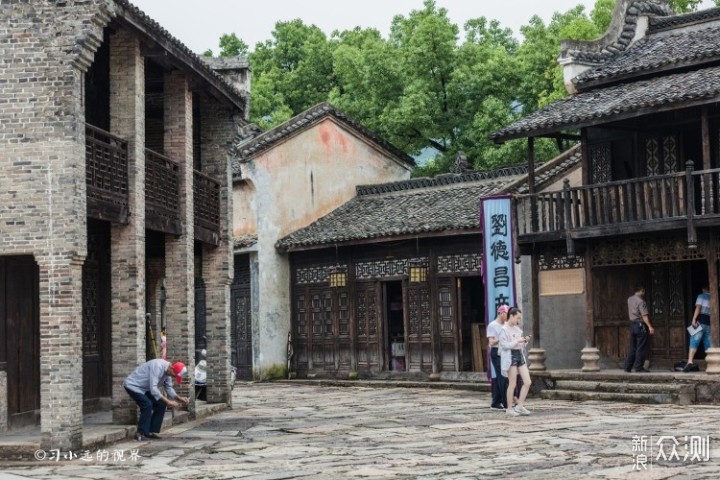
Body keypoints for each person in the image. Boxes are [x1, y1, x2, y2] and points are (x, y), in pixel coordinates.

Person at [123, 358, 190, 441]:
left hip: (145, 388)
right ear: (172, 367)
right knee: (147, 405)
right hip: (133, 385)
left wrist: (180, 399)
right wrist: (168, 401)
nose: (173, 377)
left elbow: (169, 388)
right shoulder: (158, 366)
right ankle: (140, 434)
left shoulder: (168, 372)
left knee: (161, 404)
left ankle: (150, 432)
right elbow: (154, 389)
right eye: (174, 375)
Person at [499, 307, 532, 416]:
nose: (518, 321)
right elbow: (504, 346)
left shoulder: (517, 329)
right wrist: (517, 341)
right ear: (511, 316)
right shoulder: (504, 329)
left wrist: (524, 341)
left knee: (527, 381)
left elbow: (520, 345)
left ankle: (520, 405)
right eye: (517, 318)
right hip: (510, 356)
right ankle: (509, 409)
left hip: (519, 355)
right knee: (512, 384)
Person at [624, 285, 655, 373]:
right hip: (640, 325)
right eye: (643, 292)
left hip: (632, 325)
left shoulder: (629, 299)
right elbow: (644, 316)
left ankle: (627, 367)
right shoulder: (641, 301)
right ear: (641, 290)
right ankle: (638, 367)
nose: (644, 294)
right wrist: (650, 326)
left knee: (632, 347)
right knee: (640, 347)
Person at [487, 304, 510, 411]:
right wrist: (500, 339)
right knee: (502, 377)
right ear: (501, 313)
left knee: (502, 376)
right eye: (506, 314)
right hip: (496, 352)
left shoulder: (506, 325)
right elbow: (491, 342)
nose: (508, 316)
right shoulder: (492, 325)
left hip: (504, 351)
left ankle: (496, 402)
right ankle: (506, 403)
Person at [685, 286, 711, 372]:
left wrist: (694, 319)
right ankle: (711, 365)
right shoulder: (714, 297)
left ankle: (690, 361)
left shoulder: (701, 296)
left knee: (694, 341)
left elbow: (698, 308)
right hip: (710, 324)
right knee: (708, 345)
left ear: (704, 289)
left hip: (701, 322)